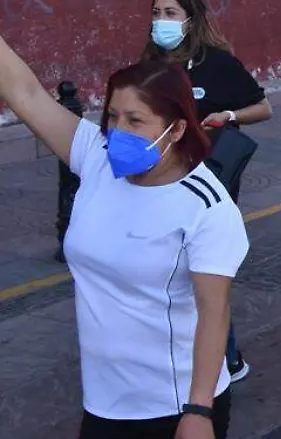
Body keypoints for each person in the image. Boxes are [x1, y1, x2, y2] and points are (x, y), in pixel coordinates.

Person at [0, 33, 248, 439]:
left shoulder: (205, 206)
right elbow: (24, 91)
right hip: (104, 401)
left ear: (176, 128)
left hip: (172, 405)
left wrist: (199, 410)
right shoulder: (97, 158)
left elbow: (214, 311)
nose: (118, 131)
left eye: (135, 121)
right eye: (113, 116)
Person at [142, 0, 271, 384]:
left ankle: (228, 358)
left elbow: (262, 107)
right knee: (168, 274)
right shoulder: (150, 65)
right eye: (156, 13)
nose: (161, 21)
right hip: (158, 183)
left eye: (170, 14)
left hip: (206, 185)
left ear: (191, 19)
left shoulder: (216, 64)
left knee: (203, 275)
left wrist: (228, 117)